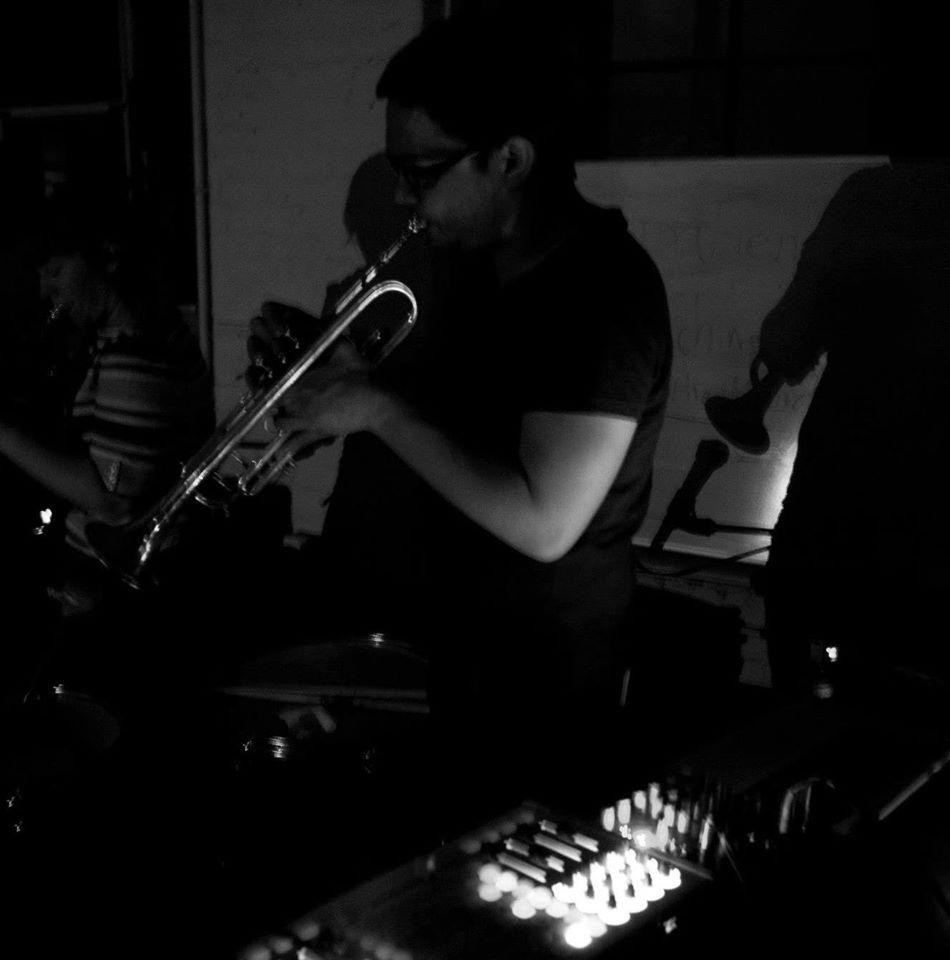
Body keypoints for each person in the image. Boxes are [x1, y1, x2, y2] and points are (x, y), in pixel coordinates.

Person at [249, 14, 672, 827]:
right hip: (463, 645)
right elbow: (454, 432)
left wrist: (377, 405)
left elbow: (546, 521)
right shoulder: (480, 275)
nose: (403, 197)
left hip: (547, 682)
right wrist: (340, 379)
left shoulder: (600, 293)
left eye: (421, 171)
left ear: (510, 159)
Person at [0, 186, 214, 698]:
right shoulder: (140, 337)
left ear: (108, 256)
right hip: (109, 581)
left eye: (56, 269)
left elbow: (109, 498)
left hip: (112, 593)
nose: (45, 288)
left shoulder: (135, 352)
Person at [749, 160, 950, 700]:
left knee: (811, 700)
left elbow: (788, 341)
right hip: (931, 551)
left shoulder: (871, 195)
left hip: (836, 517)